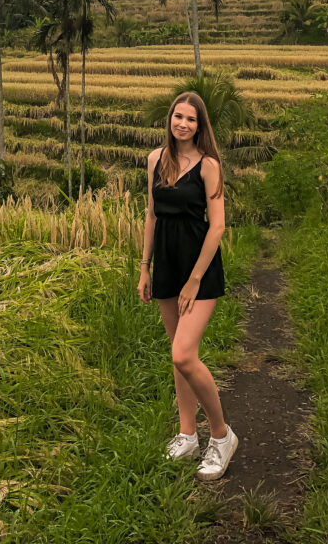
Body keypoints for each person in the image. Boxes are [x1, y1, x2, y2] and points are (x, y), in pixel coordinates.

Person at [137, 90, 239, 481]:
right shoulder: (155, 161)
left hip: (200, 268)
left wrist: (195, 279)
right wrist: (145, 268)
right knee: (177, 354)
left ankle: (221, 436)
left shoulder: (209, 165)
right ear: (170, 119)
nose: (183, 123)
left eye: (191, 119)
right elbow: (151, 214)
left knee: (184, 354)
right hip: (166, 263)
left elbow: (218, 227)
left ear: (200, 126)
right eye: (178, 116)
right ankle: (186, 434)